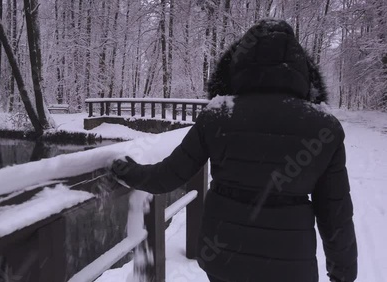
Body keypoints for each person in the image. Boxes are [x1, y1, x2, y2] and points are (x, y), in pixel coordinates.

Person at [111, 19, 357, 282]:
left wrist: (128, 171)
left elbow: (169, 175)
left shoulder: (217, 116)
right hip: (289, 266)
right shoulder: (323, 127)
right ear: (302, 69)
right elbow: (335, 213)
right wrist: (343, 273)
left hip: (224, 259)